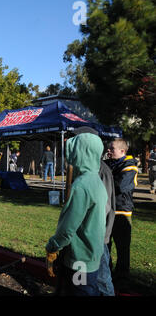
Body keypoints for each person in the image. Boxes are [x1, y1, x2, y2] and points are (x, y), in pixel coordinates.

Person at [45, 133, 107, 296]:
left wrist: (52, 247)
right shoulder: (96, 180)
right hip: (92, 253)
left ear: (81, 153)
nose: (68, 157)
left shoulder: (81, 186)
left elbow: (67, 230)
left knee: (80, 292)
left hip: (79, 259)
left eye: (72, 152)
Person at [73, 126, 115, 296]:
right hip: (82, 236)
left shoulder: (100, 170)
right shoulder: (86, 167)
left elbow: (102, 207)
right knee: (81, 278)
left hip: (95, 236)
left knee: (102, 278)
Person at [105, 138, 138, 286]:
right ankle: (107, 272)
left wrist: (105, 180)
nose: (109, 151)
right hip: (107, 211)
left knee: (122, 248)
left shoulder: (130, 166)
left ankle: (122, 279)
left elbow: (121, 186)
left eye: (112, 149)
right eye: (109, 148)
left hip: (121, 212)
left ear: (122, 151)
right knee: (105, 244)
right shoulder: (109, 164)